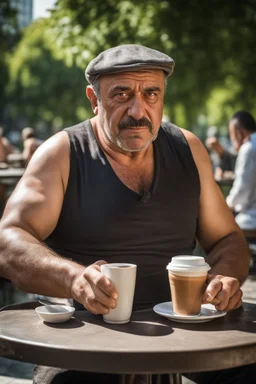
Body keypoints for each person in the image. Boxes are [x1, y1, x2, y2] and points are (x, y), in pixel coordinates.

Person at [0, 44, 253, 383]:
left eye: (151, 93)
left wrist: (224, 277)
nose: (139, 109)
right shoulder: (62, 153)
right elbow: (8, 241)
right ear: (94, 99)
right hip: (84, 337)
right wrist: (74, 279)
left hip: (185, 332)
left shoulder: (188, 149)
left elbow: (228, 240)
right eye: (121, 95)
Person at [225, 111, 256, 231]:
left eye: (232, 135)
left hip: (251, 217)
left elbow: (242, 188)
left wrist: (227, 205)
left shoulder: (248, 149)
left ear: (239, 132)